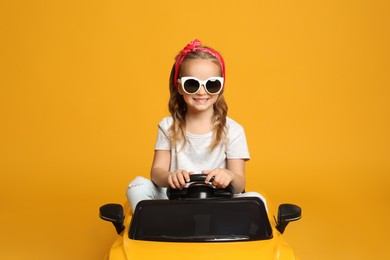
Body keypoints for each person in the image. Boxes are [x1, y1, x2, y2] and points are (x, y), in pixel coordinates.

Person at [126, 39, 266, 213]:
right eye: (192, 84)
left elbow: (240, 184)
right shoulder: (168, 126)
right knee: (136, 186)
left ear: (221, 87)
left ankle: (213, 223)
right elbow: (156, 172)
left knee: (259, 200)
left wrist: (229, 176)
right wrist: (170, 176)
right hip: (176, 201)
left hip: (218, 203)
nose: (201, 92)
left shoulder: (234, 130)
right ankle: (161, 222)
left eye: (211, 84)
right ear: (180, 87)